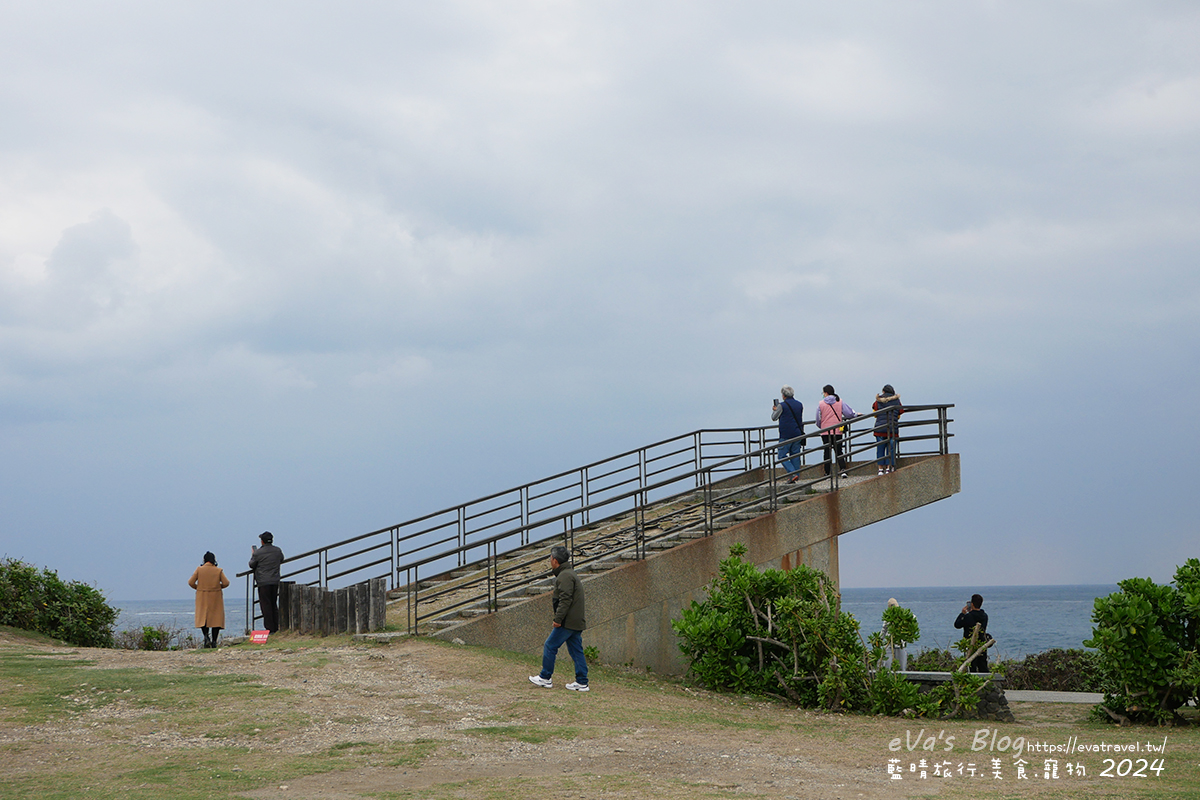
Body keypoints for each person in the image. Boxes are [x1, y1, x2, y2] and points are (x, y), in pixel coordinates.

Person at [529, 545, 589, 692]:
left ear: (555, 560)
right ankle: (582, 682)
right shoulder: (569, 573)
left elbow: (565, 600)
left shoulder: (565, 576)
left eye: (550, 558)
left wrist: (558, 619)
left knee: (550, 645)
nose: (550, 561)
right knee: (576, 650)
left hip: (567, 622)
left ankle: (545, 677)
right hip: (575, 621)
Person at [188, 552, 229, 648]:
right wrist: (218, 587)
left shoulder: (199, 569)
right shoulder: (218, 570)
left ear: (204, 560)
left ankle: (206, 637)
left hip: (202, 595)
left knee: (203, 617)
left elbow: (191, 582)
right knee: (216, 619)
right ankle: (214, 641)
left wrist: (199, 588)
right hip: (215, 596)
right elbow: (226, 583)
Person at [815, 385, 855, 478]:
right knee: (839, 450)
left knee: (827, 452)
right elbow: (849, 413)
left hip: (825, 431)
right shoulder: (839, 401)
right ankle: (843, 470)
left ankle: (827, 473)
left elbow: (817, 418)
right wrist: (856, 414)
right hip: (837, 430)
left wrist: (821, 426)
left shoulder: (821, 404)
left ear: (825, 393)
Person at [249, 531, 285, 633]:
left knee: (266, 605)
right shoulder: (277, 550)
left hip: (263, 582)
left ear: (262, 541)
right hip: (274, 580)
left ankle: (270, 628)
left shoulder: (258, 553)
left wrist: (253, 555)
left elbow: (251, 564)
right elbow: (281, 559)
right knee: (273, 604)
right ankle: (276, 626)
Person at [771, 385, 805, 482]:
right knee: (795, 455)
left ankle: (792, 472)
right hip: (798, 432)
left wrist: (775, 410)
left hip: (786, 434)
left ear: (783, 395)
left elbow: (774, 417)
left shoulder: (782, 405)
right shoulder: (799, 404)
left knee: (781, 455)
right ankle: (795, 476)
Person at [954, 593, 991, 673]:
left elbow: (957, 625)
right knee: (983, 666)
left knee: (971, 667)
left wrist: (962, 613)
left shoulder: (968, 616)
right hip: (982, 643)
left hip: (970, 644)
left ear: (972, 604)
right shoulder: (985, 616)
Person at [872, 384, 904, 475]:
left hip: (880, 429)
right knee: (891, 449)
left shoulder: (878, 401)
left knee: (880, 448)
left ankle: (880, 469)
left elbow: (875, 413)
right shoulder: (896, 401)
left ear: (883, 391)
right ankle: (890, 467)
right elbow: (900, 412)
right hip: (892, 429)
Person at [883, 597, 908, 671]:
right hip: (889, 643)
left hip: (900, 644)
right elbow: (884, 630)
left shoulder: (903, 616)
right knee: (887, 663)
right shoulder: (888, 618)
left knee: (902, 665)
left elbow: (913, 618)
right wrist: (879, 640)